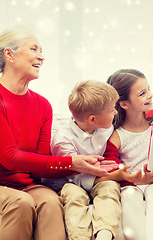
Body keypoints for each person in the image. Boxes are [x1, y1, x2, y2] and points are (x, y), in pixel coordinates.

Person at [0, 26, 117, 240]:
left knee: (51, 201)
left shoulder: (42, 105)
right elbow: (9, 157)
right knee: (20, 203)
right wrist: (71, 162)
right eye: (34, 49)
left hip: (26, 184)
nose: (41, 57)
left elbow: (43, 163)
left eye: (42, 51)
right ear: (9, 54)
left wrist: (89, 166)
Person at [47, 80, 122, 240]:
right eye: (111, 110)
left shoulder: (106, 127)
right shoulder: (63, 140)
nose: (115, 112)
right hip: (69, 182)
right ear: (92, 119)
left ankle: (104, 235)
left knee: (109, 187)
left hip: (99, 179)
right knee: (75, 196)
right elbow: (73, 176)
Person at [101, 69, 153, 240]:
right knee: (129, 196)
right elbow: (112, 169)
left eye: (148, 89)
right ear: (124, 104)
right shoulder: (116, 137)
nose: (150, 95)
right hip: (131, 185)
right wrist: (135, 179)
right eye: (142, 93)